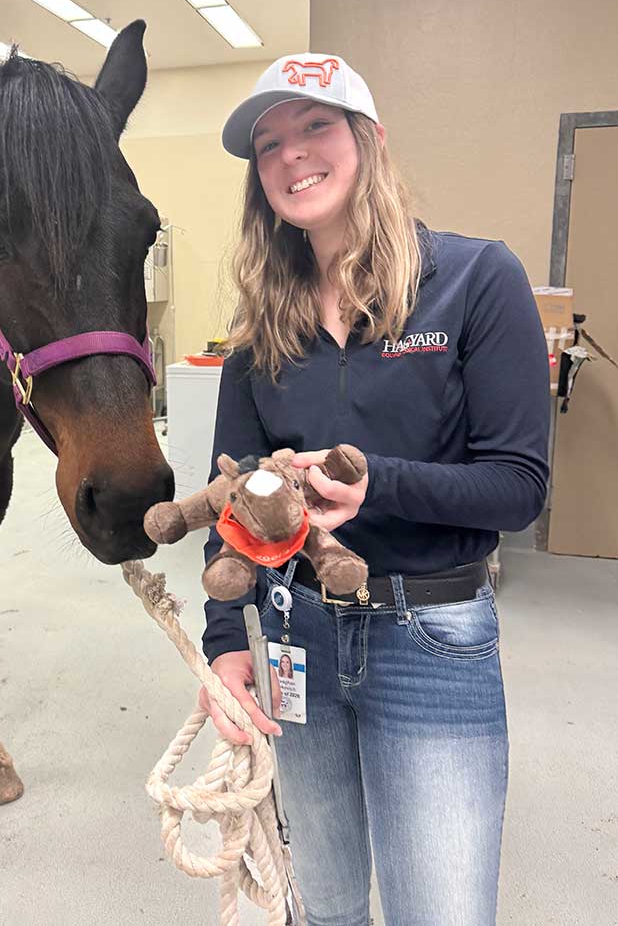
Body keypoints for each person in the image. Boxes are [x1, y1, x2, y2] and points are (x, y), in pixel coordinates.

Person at [197, 53, 550, 926]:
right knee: (327, 906)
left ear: (370, 140)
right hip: (296, 636)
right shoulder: (259, 332)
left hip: (431, 637)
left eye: (316, 126)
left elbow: (518, 487)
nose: (291, 153)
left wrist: (376, 485)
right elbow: (227, 505)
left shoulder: (475, 279)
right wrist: (224, 644)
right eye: (270, 143)